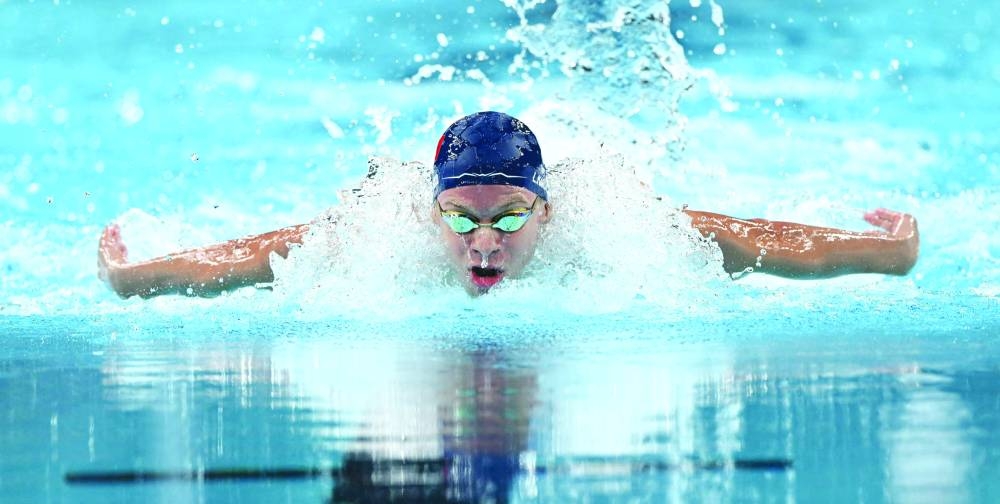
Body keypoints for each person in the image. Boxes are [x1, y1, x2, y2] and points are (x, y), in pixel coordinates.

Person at [97, 111, 919, 299]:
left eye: (507, 218)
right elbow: (250, 257)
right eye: (460, 218)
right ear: (431, 212)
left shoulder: (616, 226)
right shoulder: (383, 233)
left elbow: (765, 241)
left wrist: (892, 251)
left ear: (547, 213)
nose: (482, 241)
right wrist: (132, 278)